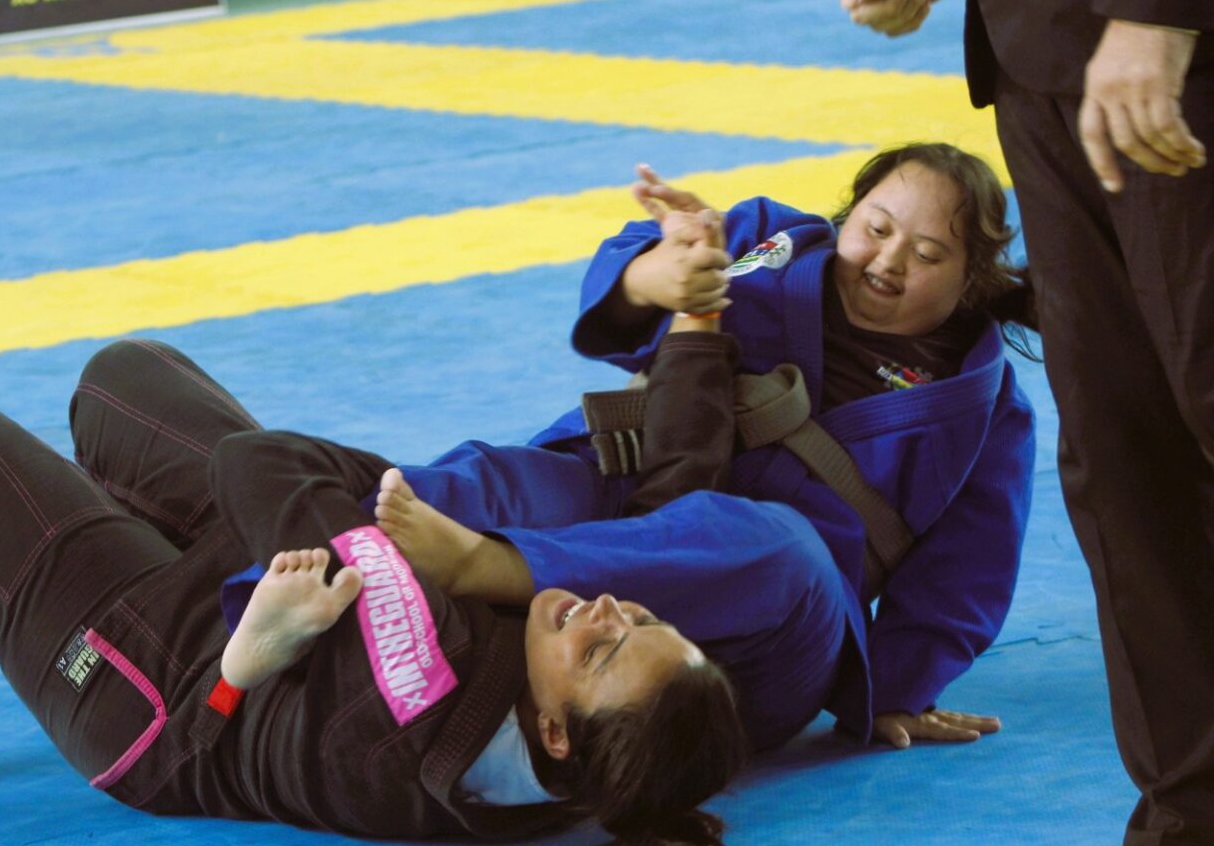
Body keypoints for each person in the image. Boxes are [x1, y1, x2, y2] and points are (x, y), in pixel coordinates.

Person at [0, 333, 753, 846]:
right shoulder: (595, 771)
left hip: (159, 682)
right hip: (280, 601)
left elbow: (259, 464)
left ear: (552, 730)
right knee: (122, 376)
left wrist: (407, 528)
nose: (605, 608)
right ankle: (132, 523)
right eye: (643, 619)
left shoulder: (417, 660)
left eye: (602, 650)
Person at [329, 142, 1036, 755]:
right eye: (875, 228)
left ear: (971, 280)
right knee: (472, 486)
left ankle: (493, 567)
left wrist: (893, 689)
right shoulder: (769, 240)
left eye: (928, 254)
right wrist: (655, 277)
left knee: (774, 543)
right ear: (847, 216)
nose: (889, 259)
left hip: (763, 622)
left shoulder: (984, 408)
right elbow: (641, 264)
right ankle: (292, 586)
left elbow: (968, 569)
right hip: (624, 496)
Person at [840, 0, 1214, 846]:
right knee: (1120, 448)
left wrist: (1157, 1)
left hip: (1176, 17)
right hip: (1040, 34)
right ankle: (1192, 837)